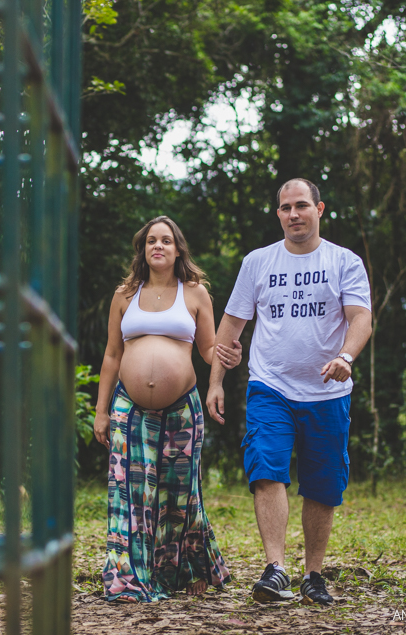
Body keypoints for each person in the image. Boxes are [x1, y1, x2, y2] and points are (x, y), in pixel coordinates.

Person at [205, 178, 372, 605]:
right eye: (285, 208)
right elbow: (231, 326)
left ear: (319, 209)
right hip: (270, 386)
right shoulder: (258, 262)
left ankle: (313, 575)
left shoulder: (344, 261)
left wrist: (346, 358)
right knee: (266, 468)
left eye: (301, 206)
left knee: (323, 485)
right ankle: (276, 568)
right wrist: (216, 382)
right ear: (278, 214)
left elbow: (360, 319)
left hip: (327, 393)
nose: (294, 214)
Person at [93, 215, 242, 603]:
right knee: (130, 490)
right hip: (129, 405)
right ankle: (128, 578)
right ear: (143, 250)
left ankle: (185, 570)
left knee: (180, 492)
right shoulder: (124, 294)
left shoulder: (195, 293)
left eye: (166, 241)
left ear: (178, 249)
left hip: (182, 408)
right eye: (151, 241)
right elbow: (111, 355)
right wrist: (101, 410)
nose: (158, 246)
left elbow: (209, 350)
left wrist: (227, 356)